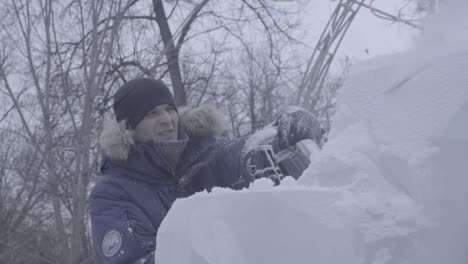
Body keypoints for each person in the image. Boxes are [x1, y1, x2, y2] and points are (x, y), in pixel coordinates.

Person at [88, 78, 323, 263]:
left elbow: (239, 155)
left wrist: (279, 138)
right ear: (129, 127)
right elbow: (135, 259)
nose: (167, 120)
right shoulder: (112, 193)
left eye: (169, 109)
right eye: (152, 114)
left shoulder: (202, 154)